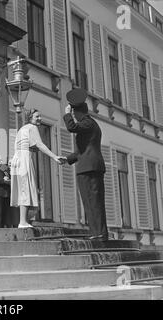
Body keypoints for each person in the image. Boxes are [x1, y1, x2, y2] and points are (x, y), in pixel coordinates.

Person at [62, 88, 108, 241]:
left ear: (78, 112)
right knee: (90, 201)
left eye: (74, 113)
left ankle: (99, 233)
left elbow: (71, 127)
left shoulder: (87, 122)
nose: (73, 116)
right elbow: (83, 149)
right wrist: (67, 159)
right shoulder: (89, 124)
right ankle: (96, 232)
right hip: (88, 166)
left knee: (93, 201)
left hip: (90, 168)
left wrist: (67, 113)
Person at [10, 109, 64, 229]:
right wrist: (54, 156)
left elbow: (25, 145)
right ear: (30, 118)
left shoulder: (22, 129)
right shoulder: (32, 128)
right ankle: (23, 221)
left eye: (40, 116)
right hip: (24, 159)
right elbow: (40, 144)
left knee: (23, 190)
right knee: (26, 189)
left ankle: (23, 220)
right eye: (37, 116)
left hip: (17, 159)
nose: (39, 118)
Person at [0, 155, 11, 228]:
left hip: (6, 192)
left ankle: (4, 225)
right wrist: (5, 180)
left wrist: (8, 178)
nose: (0, 162)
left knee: (5, 212)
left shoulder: (4, 167)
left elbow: (9, 174)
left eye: (1, 160)